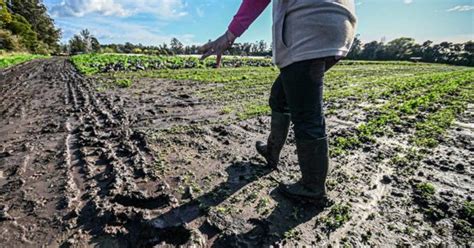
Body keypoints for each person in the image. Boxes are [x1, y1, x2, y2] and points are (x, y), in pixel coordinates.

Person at [200, 0, 357, 204]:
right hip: (338, 26)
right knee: (281, 95)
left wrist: (229, 36)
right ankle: (272, 152)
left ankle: (312, 187)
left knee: (306, 112)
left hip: (308, 27)